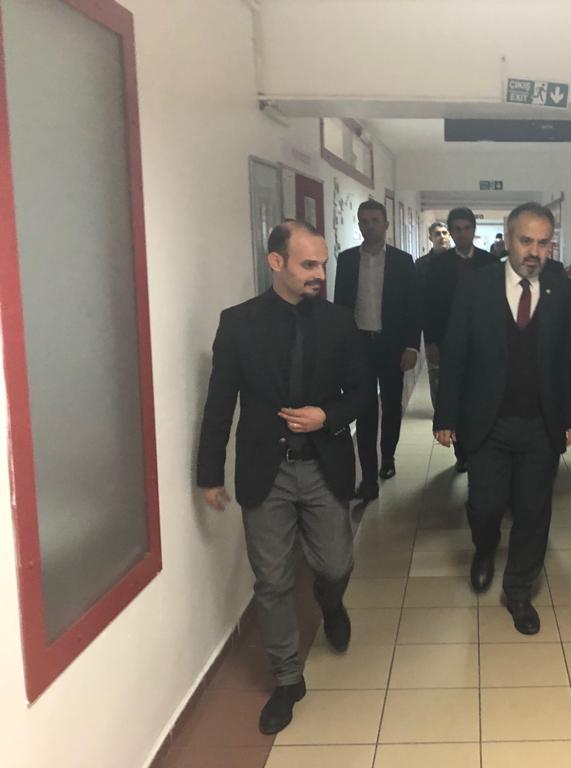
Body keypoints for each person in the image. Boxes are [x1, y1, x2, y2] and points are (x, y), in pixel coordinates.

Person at [197, 220, 374, 734]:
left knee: (336, 562)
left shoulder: (339, 323)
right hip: (265, 471)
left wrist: (327, 416)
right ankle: (287, 679)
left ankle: (330, 601)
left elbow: (363, 392)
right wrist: (210, 474)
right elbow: (219, 404)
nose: (320, 274)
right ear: (276, 262)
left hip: (323, 465)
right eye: (308, 264)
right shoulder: (239, 324)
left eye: (323, 264)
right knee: (272, 581)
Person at [434, 202, 571, 635]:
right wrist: (446, 414)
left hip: (541, 422)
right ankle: (484, 548)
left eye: (543, 243)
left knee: (534, 512)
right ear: (508, 239)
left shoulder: (561, 290)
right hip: (487, 420)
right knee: (486, 505)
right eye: (526, 240)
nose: (534, 251)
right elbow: (456, 350)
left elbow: (567, 358)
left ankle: (518, 590)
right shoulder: (476, 285)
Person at [334, 199, 420, 500]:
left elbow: (413, 306)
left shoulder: (402, 261)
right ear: (358, 225)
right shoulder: (347, 260)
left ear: (386, 225)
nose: (369, 226)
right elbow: (340, 307)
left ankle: (388, 457)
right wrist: (340, 348)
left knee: (392, 406)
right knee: (365, 409)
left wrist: (412, 345)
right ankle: (368, 478)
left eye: (375, 221)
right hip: (359, 346)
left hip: (391, 345)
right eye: (364, 221)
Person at [422, 207, 498, 470]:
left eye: (467, 228)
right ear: (451, 232)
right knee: (453, 393)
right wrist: (431, 341)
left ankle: (477, 445)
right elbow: (430, 305)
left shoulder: (489, 262)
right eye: (457, 229)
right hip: (449, 340)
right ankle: (461, 451)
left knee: (478, 393)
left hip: (483, 341)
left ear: (473, 230)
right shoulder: (438, 264)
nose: (462, 234)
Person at [417, 220, 451, 409]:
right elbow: (421, 303)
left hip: (458, 330)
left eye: (445, 233)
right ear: (430, 237)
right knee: (436, 375)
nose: (442, 237)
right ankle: (440, 414)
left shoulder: (459, 262)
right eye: (437, 234)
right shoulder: (422, 265)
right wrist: (429, 340)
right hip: (433, 332)